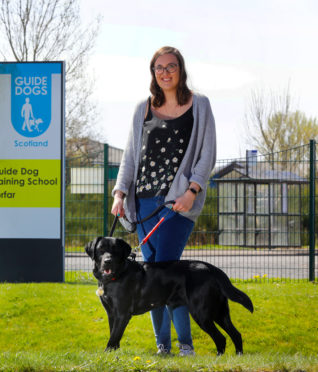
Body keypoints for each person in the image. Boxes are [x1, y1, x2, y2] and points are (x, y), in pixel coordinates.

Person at [111, 46, 216, 356]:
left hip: (177, 203)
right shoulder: (142, 108)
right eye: (159, 67)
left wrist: (192, 191)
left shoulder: (199, 105)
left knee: (165, 272)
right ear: (153, 72)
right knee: (153, 272)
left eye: (171, 66)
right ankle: (164, 346)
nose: (165, 72)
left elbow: (207, 154)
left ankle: (184, 345)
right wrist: (119, 193)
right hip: (142, 202)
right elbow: (130, 156)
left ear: (180, 70)